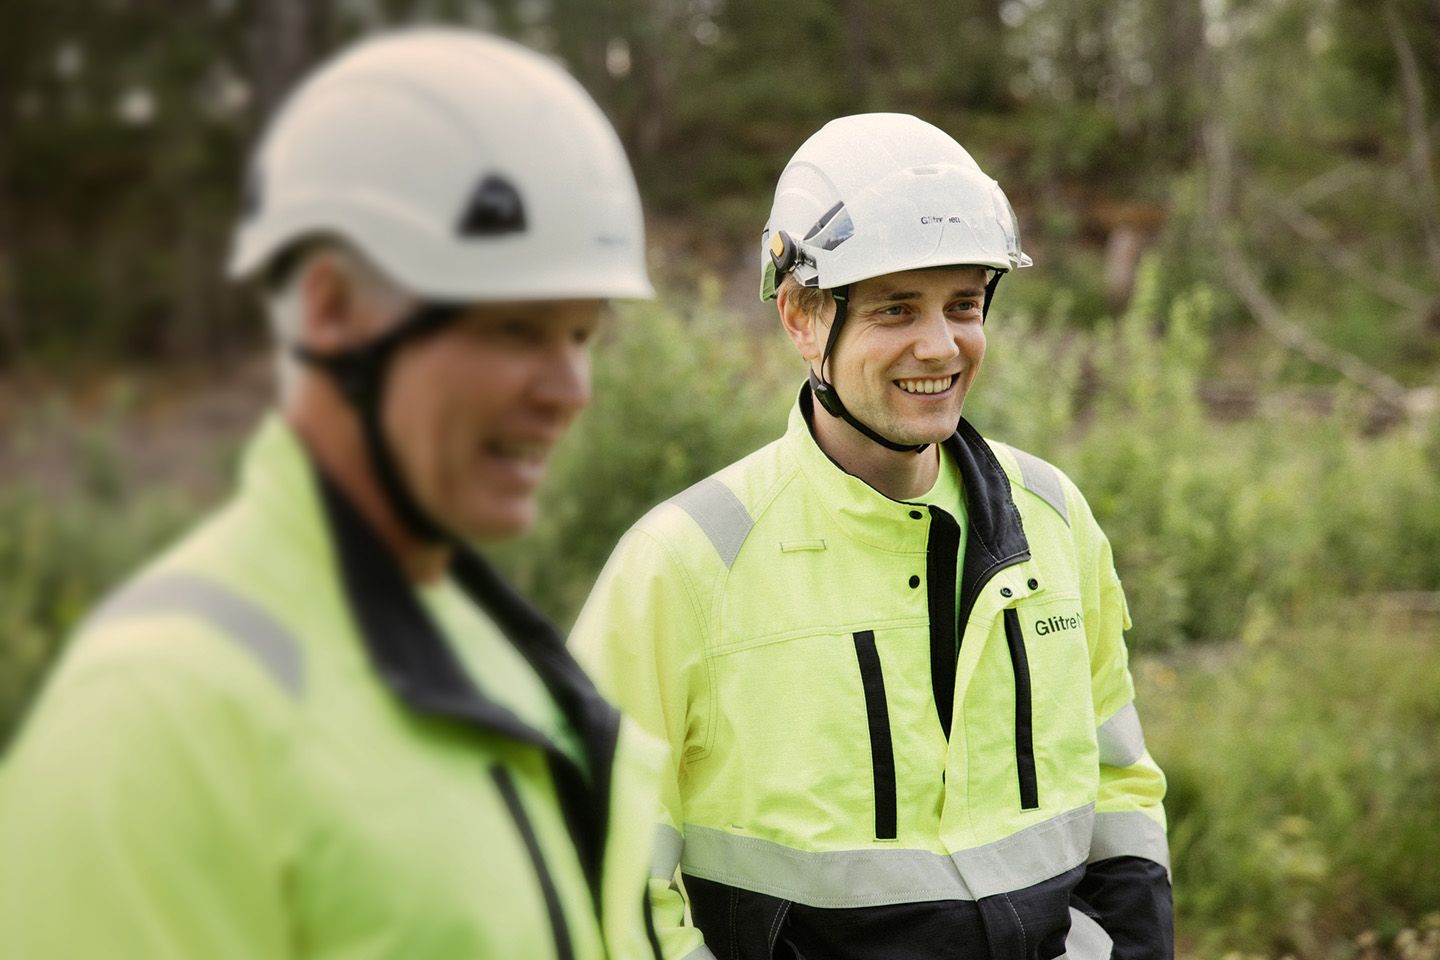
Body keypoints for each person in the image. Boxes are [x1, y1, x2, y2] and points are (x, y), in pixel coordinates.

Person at [0, 28, 667, 960]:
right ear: (331, 311)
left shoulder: (492, 653)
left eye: (582, 335)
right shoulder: (156, 719)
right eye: (515, 329)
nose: (570, 392)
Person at [570, 113, 1172, 960]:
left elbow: (1118, 782)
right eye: (896, 309)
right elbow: (596, 868)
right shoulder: (685, 564)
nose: (941, 345)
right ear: (800, 317)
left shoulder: (1054, 517)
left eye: (964, 304)